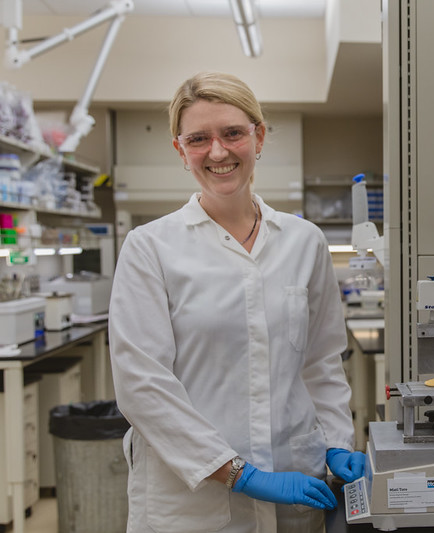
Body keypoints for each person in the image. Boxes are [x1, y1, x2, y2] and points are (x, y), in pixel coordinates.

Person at [109, 71, 365, 533]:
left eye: (232, 133)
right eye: (199, 139)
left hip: (297, 480)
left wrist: (336, 444)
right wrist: (236, 472)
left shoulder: (304, 242)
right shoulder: (150, 247)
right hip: (190, 500)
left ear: (258, 136)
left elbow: (321, 363)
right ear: (180, 150)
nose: (219, 152)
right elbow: (142, 386)